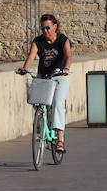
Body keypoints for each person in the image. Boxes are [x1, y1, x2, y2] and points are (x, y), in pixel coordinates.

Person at [17, 13, 72, 153]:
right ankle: (40, 125)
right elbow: (31, 56)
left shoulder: (62, 39)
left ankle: (60, 140)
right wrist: (25, 68)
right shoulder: (37, 41)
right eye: (42, 28)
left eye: (47, 27)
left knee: (58, 103)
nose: (45, 31)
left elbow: (68, 56)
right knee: (37, 103)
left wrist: (65, 69)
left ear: (55, 27)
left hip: (60, 76)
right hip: (43, 75)